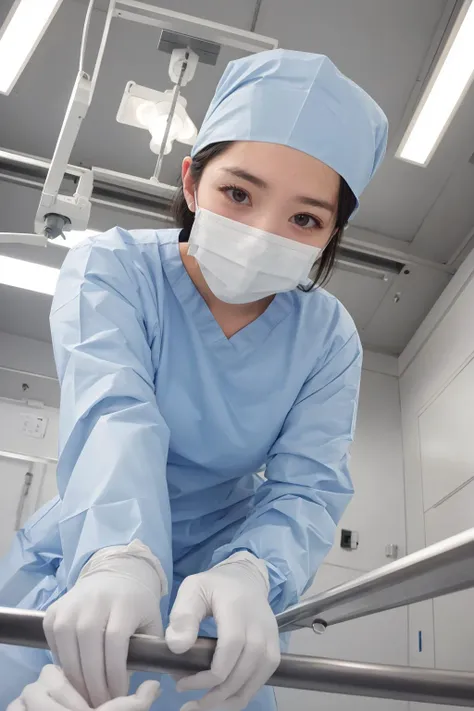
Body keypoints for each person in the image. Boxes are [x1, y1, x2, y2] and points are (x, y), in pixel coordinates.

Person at [0, 48, 388, 711]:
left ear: (331, 235)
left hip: (222, 589)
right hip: (82, 557)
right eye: (238, 193)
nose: (264, 233)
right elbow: (114, 413)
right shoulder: (112, 269)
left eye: (305, 218)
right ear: (191, 182)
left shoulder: (327, 336)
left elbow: (308, 486)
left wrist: (253, 571)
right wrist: (117, 555)